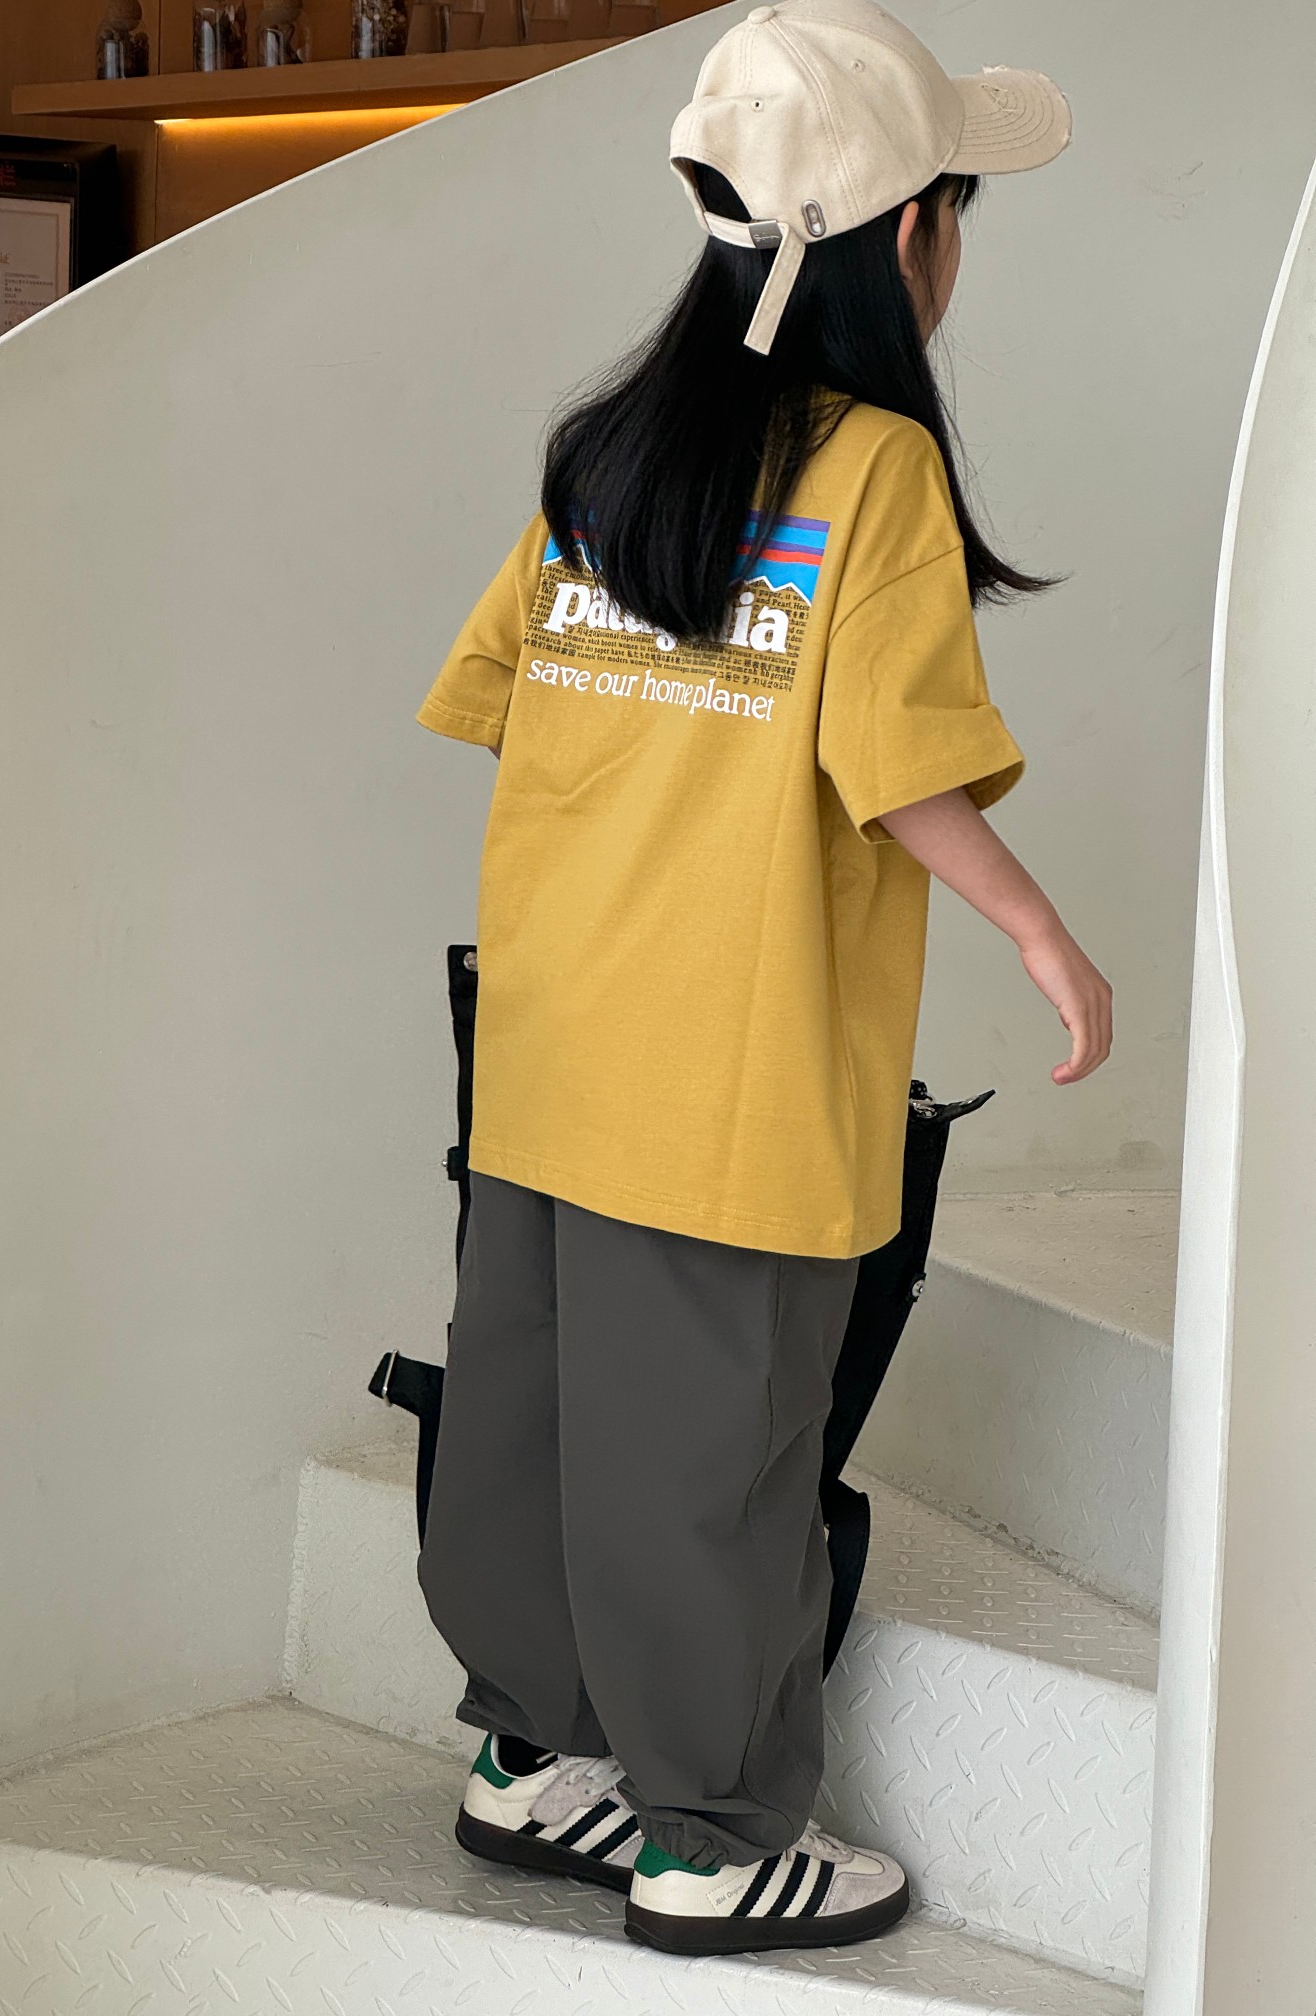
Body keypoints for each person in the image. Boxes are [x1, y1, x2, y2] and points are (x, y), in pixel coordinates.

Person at [412, 0, 1110, 1958]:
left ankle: (526, 1757)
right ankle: (709, 1841)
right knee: (709, 1457)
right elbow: (899, 769)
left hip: (551, 1040)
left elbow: (506, 696)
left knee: (534, 1415)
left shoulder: (607, 447)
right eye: (958, 208)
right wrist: (1041, 930)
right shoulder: (871, 470)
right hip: (730, 1065)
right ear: (912, 236)